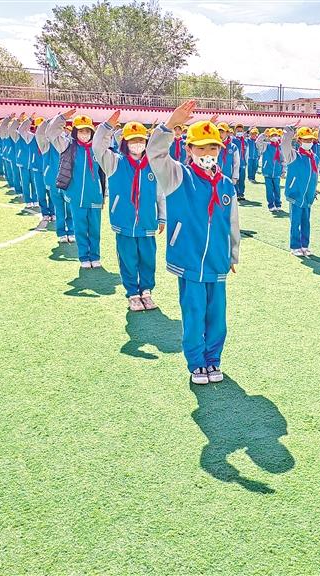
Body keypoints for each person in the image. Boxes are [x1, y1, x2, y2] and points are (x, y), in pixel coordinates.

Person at [146, 101, 240, 385]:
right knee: (194, 312)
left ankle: (214, 360)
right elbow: (155, 153)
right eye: (200, 148)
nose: (207, 154)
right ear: (188, 149)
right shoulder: (178, 176)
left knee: (217, 316)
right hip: (188, 260)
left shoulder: (226, 184)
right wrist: (169, 125)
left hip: (217, 261)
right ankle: (197, 363)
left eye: (212, 148)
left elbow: (232, 222)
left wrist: (233, 254)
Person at [94, 112, 166, 312]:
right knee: (127, 259)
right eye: (133, 140)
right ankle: (133, 294)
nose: (137, 144)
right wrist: (106, 127)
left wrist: (162, 216)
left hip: (147, 222)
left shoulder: (153, 165)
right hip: (124, 222)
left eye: (141, 140)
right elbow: (98, 147)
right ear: (125, 142)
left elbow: (160, 193)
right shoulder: (114, 162)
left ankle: (146, 292)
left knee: (148, 259)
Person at [46, 110, 104, 268]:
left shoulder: (97, 149)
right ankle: (84, 257)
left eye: (87, 131)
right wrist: (62, 117)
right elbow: (51, 132)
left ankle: (95, 256)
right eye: (81, 131)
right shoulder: (68, 146)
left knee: (95, 229)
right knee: (80, 228)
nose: (84, 135)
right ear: (75, 132)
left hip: (95, 196)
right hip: (76, 196)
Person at [36, 118, 75, 243]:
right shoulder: (46, 145)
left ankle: (71, 231)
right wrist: (48, 122)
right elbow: (39, 134)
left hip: (69, 182)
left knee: (70, 208)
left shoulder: (69, 143)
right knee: (59, 209)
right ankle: (62, 232)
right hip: (54, 182)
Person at [282, 126, 319, 256]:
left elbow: (315, 175)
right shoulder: (293, 155)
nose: (308, 142)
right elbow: (285, 144)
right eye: (305, 140)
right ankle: (295, 246)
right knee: (295, 221)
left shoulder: (314, 157)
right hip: (295, 194)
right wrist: (289, 133)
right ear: (299, 140)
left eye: (310, 140)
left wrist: (314, 190)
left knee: (306, 222)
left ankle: (305, 245)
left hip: (308, 196)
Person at [257, 128, 284, 211]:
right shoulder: (266, 145)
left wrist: (283, 170)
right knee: (269, 189)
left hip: (277, 172)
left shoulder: (280, 147)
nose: (274, 137)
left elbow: (283, 160)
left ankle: (278, 204)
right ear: (269, 137)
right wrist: (263, 135)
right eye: (272, 135)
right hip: (267, 171)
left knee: (277, 189)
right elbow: (258, 143)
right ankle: (271, 205)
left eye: (276, 135)